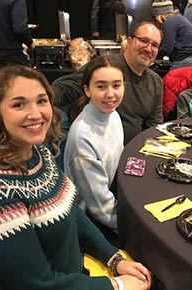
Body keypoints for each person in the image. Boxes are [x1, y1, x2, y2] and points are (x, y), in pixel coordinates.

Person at [0, 65, 152, 290]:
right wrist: (116, 285)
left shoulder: (38, 152)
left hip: (75, 275)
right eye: (19, 104)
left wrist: (113, 258)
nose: (35, 114)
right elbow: (34, 284)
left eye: (41, 101)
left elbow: (72, 213)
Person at [52, 21, 163, 145]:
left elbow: (154, 127)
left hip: (133, 153)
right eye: (143, 40)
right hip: (97, 149)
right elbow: (65, 89)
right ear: (129, 41)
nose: (148, 49)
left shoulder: (156, 81)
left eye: (154, 45)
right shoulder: (107, 67)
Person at [64, 55, 125, 239]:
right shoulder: (82, 136)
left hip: (110, 199)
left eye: (116, 85)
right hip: (92, 223)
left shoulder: (113, 115)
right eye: (101, 86)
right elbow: (101, 209)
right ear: (87, 90)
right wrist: (134, 228)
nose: (110, 94)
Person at [151, 0, 192, 70]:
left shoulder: (170, 22)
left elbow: (166, 48)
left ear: (158, 14)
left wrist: (151, 55)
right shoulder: (178, 19)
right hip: (191, 60)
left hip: (182, 62)